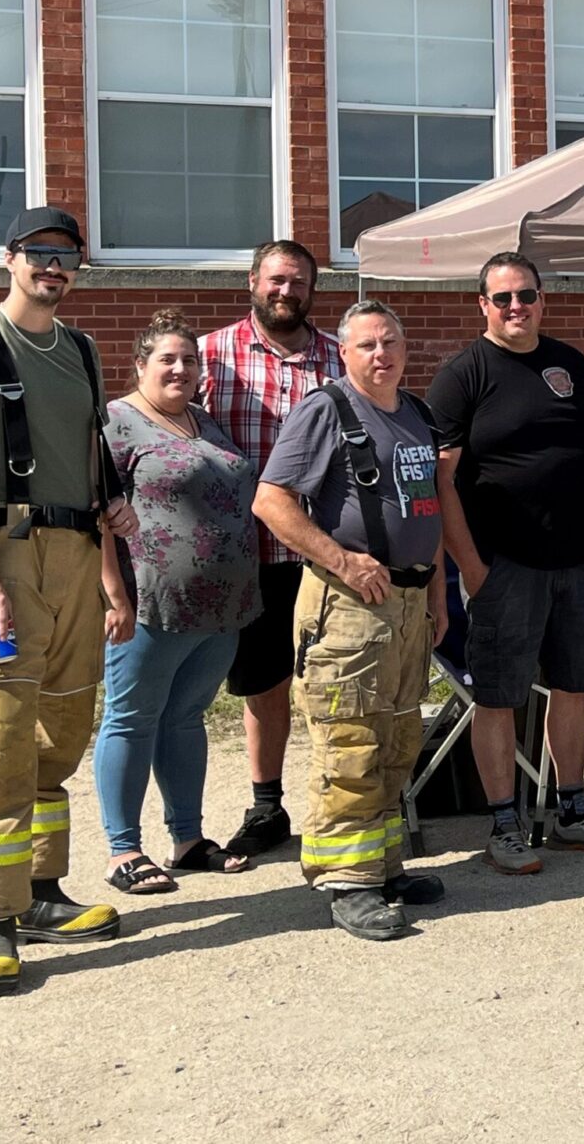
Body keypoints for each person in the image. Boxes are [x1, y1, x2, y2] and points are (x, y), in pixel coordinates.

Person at [0, 205, 138, 998]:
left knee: (63, 727)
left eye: (68, 256)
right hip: (0, 557)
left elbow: (89, 465)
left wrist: (112, 571)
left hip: (77, 557)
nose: (55, 267)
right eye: (41, 254)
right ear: (10, 258)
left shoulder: (79, 349)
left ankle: (42, 892)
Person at [427, 253, 584, 877]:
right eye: (503, 298)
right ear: (482, 306)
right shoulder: (463, 375)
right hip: (503, 565)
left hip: (578, 562)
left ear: (543, 300)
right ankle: (505, 824)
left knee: (574, 688)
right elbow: (441, 483)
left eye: (527, 296)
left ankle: (571, 811)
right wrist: (471, 566)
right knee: (498, 696)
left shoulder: (569, 363)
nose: (517, 307)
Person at [253, 301, 448, 940]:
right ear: (344, 353)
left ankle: (382, 866)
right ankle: (348, 882)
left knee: (397, 741)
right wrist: (340, 557)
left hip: (410, 604)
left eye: (390, 341)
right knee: (350, 743)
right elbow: (271, 501)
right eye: (366, 345)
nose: (381, 354)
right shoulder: (326, 410)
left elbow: (428, 513)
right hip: (350, 609)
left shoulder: (415, 413)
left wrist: (438, 594)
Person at [95, 311, 261, 897]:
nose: (180, 368)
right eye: (167, 358)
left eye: (189, 360)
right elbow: (94, 517)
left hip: (223, 608)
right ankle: (123, 850)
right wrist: (113, 594)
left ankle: (188, 840)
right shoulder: (116, 424)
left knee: (185, 719)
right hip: (149, 605)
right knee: (132, 718)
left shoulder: (205, 422)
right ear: (140, 365)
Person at [200, 239, 344, 860]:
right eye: (276, 280)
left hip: (325, 553)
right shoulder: (210, 357)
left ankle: (344, 798)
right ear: (253, 282)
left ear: (314, 289)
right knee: (264, 685)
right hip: (247, 554)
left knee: (335, 680)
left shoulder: (342, 359)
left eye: (299, 283)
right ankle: (267, 805)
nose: (286, 292)